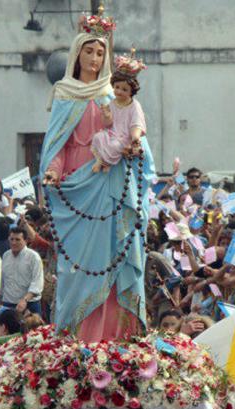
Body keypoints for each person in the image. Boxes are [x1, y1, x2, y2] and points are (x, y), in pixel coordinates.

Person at [40, 16, 153, 342]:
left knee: (114, 259)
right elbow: (58, 144)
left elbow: (135, 135)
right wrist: (53, 171)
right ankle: (78, 335)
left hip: (111, 184)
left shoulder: (113, 93)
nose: (94, 59)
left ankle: (116, 337)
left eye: (100, 53)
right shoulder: (64, 93)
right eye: (88, 52)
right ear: (77, 54)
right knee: (77, 269)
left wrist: (133, 147)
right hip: (77, 186)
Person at [90, 52, 146, 173]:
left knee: (115, 146)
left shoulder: (134, 106)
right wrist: (106, 115)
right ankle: (101, 161)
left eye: (124, 89)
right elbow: (108, 124)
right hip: (112, 133)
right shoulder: (112, 103)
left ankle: (107, 163)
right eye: (117, 87)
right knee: (98, 137)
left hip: (124, 137)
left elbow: (136, 123)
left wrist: (135, 137)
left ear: (132, 91)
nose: (119, 91)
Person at [0, 227, 43, 315]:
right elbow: (3, 280)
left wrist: (25, 300)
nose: (13, 242)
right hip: (8, 303)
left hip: (29, 304)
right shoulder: (6, 255)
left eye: (17, 239)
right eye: (11, 239)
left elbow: (37, 282)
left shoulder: (33, 257)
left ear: (25, 240)